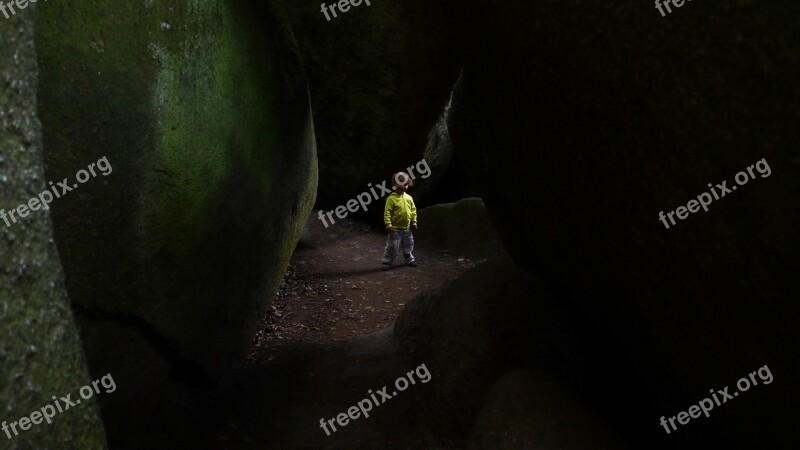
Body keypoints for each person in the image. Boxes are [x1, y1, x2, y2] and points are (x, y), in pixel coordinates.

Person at [381, 172, 418, 270]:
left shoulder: (409, 198)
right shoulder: (391, 199)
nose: (403, 186)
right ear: (395, 184)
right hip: (395, 229)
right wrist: (388, 225)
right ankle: (386, 262)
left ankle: (409, 259)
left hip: (407, 228)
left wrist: (414, 222)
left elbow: (413, 211)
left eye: (405, 184)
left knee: (409, 244)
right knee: (392, 247)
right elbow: (387, 213)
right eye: (400, 184)